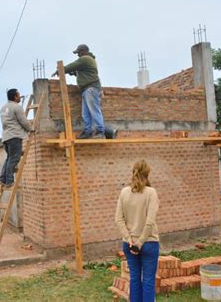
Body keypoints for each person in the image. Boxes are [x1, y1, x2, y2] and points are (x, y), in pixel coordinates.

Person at [115, 160, 159, 302]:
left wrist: (129, 239)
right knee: (148, 280)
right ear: (147, 174)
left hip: (128, 244)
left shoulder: (124, 192)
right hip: (148, 243)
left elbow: (118, 219)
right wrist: (139, 243)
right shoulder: (151, 193)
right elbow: (150, 222)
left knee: (134, 279)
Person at [52, 44, 117, 139]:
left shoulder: (85, 59)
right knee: (85, 113)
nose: (78, 55)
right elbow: (78, 71)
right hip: (87, 90)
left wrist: (61, 69)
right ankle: (88, 132)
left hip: (91, 89)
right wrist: (72, 72)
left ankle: (100, 132)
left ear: (83, 51)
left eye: (78, 52)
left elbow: (72, 66)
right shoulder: (88, 60)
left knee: (94, 111)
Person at [0, 88, 32, 188]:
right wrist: (31, 128)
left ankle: (2, 178)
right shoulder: (17, 107)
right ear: (15, 96)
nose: (20, 96)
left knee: (9, 158)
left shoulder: (3, 108)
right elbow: (24, 121)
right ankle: (9, 181)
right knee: (14, 159)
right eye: (18, 95)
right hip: (14, 136)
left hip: (6, 137)